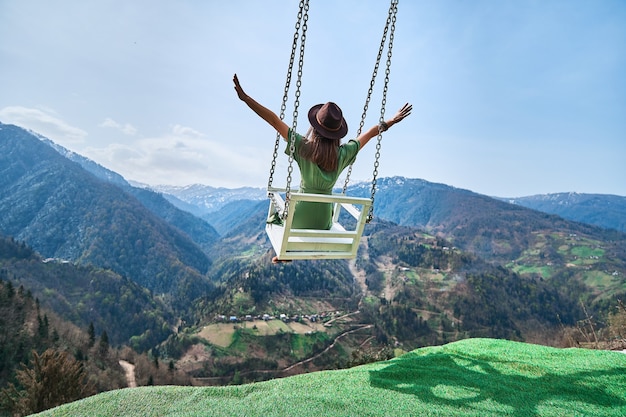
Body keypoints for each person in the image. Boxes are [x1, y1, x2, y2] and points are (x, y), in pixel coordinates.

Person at [233, 74, 412, 262]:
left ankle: (285, 253)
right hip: (323, 220)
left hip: (299, 217)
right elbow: (370, 133)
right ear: (337, 133)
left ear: (315, 128)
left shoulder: (303, 147)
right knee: (300, 213)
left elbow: (274, 120)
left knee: (279, 217)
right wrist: (391, 121)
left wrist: (246, 99)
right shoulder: (344, 153)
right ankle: (286, 254)